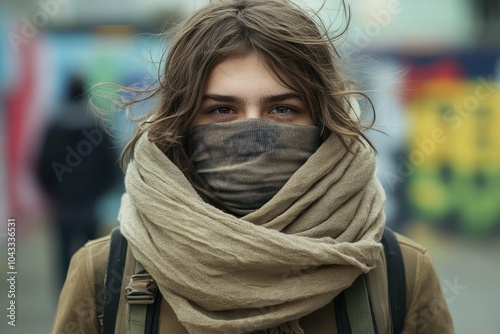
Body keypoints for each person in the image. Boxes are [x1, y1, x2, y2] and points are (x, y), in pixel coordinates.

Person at [52, 1, 454, 333]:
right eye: (222, 110)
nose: (252, 130)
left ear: (322, 122)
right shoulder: (104, 273)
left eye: (282, 108)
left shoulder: (401, 273)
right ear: (181, 125)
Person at [36, 74, 119, 285]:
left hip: (63, 203)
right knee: (92, 255)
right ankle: (89, 301)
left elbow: (41, 166)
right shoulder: (97, 128)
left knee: (64, 255)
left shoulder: (54, 127)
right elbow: (112, 166)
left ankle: (65, 300)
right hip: (90, 203)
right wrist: (98, 192)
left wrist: (54, 192)